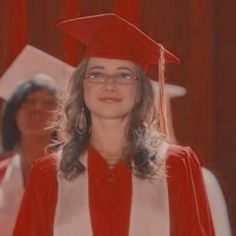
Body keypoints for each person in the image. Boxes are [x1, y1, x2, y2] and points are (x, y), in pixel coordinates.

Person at [13, 13, 217, 236]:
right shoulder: (49, 174)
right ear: (82, 87)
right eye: (97, 74)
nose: (109, 84)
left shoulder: (177, 166)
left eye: (124, 75)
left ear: (141, 91)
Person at [0, 78, 58, 236]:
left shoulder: (74, 175)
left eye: (49, 103)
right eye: (28, 101)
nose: (37, 109)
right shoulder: (2, 172)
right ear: (14, 112)